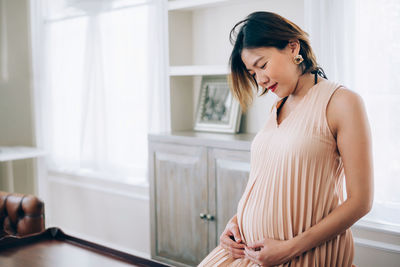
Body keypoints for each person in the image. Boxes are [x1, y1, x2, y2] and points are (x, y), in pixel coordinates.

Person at [198, 11, 373, 267]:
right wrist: (236, 223)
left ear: (293, 47)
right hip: (247, 253)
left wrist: (288, 249)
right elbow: (270, 183)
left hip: (300, 256)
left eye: (263, 65)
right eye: (252, 73)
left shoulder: (342, 102)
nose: (261, 79)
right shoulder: (277, 107)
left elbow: (361, 201)